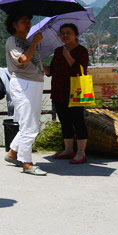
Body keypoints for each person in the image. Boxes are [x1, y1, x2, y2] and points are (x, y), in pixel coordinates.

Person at [4, 12, 47, 175]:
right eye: (23, 21)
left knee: (30, 121)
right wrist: (35, 42)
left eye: (29, 21)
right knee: (29, 124)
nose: (28, 24)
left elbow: (33, 62)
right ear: (14, 25)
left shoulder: (26, 41)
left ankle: (13, 152)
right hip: (23, 83)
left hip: (34, 82)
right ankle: (27, 163)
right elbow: (22, 60)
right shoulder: (13, 41)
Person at [44, 23, 90, 164]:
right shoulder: (58, 51)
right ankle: (68, 150)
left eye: (68, 32)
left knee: (78, 121)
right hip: (59, 91)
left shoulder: (82, 51)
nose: (65, 35)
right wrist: (39, 64)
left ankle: (81, 153)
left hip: (75, 91)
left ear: (76, 35)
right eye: (62, 33)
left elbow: (80, 70)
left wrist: (68, 55)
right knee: (64, 122)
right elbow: (51, 71)